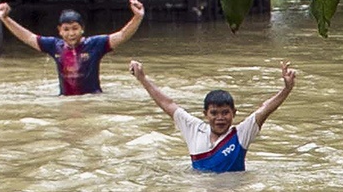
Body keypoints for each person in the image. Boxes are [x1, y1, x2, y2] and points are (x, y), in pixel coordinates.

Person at [124, 60, 296, 173]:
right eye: (214, 113)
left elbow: (265, 109)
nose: (220, 118)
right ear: (205, 114)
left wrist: (286, 89)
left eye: (225, 113)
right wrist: (143, 78)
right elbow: (168, 104)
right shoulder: (194, 129)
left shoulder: (241, 134)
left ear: (234, 114)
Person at [0, 0, 143, 96]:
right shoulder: (54, 46)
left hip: (92, 100)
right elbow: (28, 37)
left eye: (75, 28)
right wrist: (5, 19)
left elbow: (122, 35)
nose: (71, 33)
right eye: (66, 29)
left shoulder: (94, 45)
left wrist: (137, 17)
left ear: (82, 29)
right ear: (59, 30)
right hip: (65, 100)